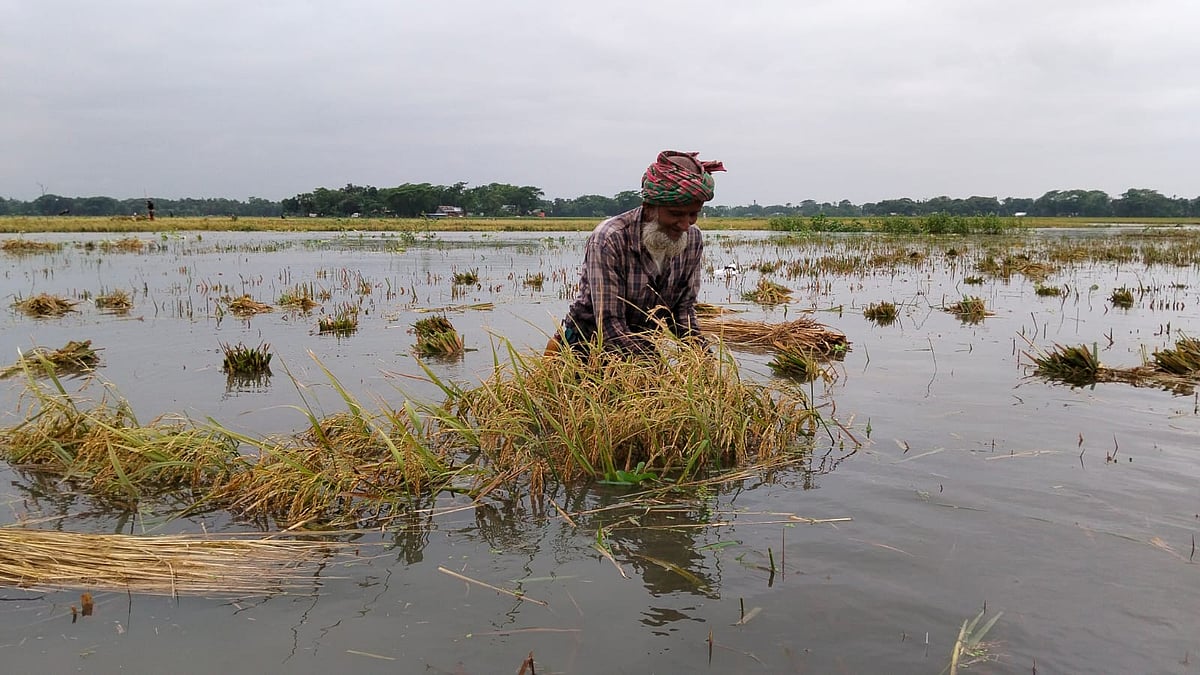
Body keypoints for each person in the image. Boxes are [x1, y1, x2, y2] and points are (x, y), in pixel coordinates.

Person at [549, 150, 725, 356]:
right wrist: (655, 372)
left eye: (693, 214)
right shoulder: (610, 239)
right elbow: (609, 324)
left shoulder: (692, 240)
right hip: (585, 349)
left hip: (642, 347)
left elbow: (683, 311)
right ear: (650, 207)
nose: (685, 224)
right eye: (676, 214)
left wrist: (703, 360)